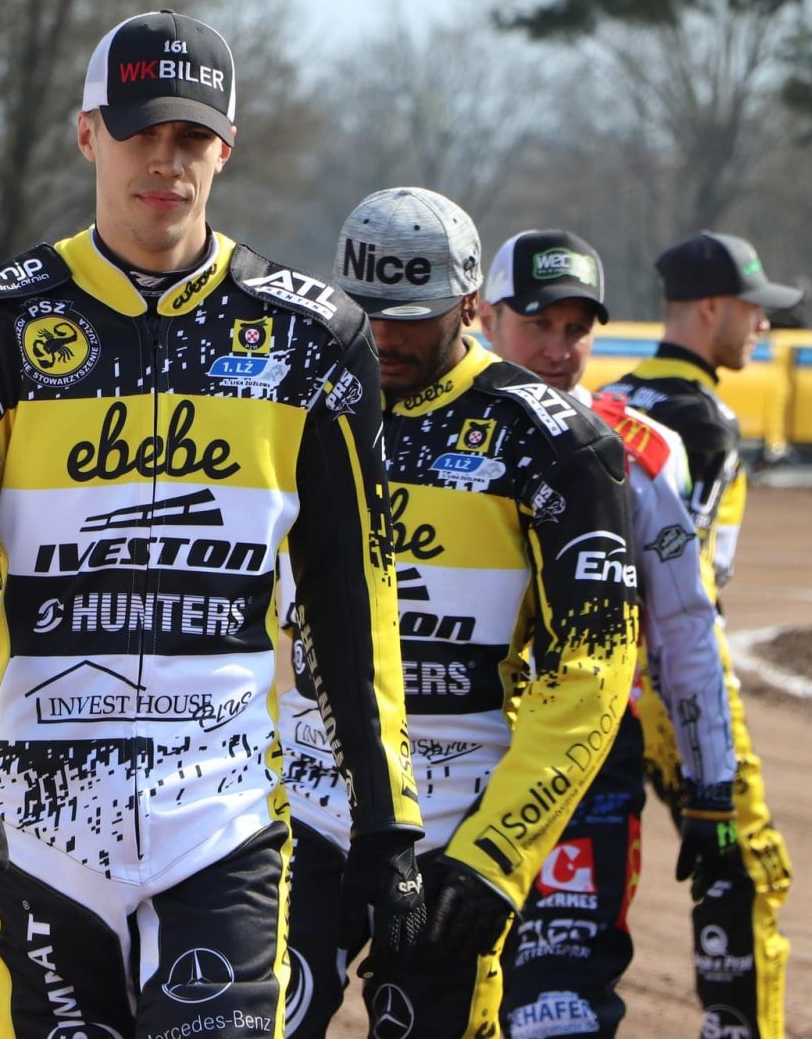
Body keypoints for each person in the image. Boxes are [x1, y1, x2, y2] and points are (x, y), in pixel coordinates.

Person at [0, 11, 424, 1038]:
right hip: (40, 820)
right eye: (140, 132)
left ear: (225, 149)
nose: (166, 160)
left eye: (191, 136)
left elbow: (353, 588)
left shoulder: (313, 338)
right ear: (89, 135)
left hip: (223, 819)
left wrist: (387, 817)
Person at [277, 192, 640, 1039]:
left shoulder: (556, 441)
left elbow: (593, 669)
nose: (386, 336)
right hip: (298, 805)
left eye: (414, 317)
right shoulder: (292, 407)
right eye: (368, 311)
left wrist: (499, 855)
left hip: (455, 822)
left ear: (471, 303)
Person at [480, 229, 738, 1036]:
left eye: (576, 329)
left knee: (559, 1008)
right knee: (442, 998)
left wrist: (712, 784)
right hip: (454, 757)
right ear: (485, 316)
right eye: (538, 325)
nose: (558, 350)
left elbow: (686, 626)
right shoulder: (415, 428)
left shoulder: (644, 450)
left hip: (586, 766)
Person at [597, 231, 796, 1039]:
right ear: (711, 308)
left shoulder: (608, 397)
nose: (763, 326)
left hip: (596, 680)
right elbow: (686, 591)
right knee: (745, 867)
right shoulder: (704, 421)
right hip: (673, 685)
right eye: (754, 310)